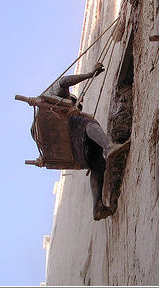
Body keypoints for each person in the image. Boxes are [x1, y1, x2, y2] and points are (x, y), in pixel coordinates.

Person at [45, 62, 130, 220]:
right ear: (71, 99)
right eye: (78, 104)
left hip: (77, 152)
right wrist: (90, 74)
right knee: (86, 123)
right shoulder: (58, 101)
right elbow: (63, 81)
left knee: (98, 164)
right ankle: (109, 147)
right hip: (74, 137)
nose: (79, 108)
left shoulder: (63, 134)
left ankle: (98, 207)